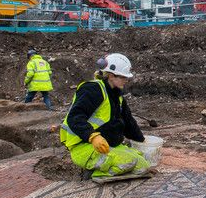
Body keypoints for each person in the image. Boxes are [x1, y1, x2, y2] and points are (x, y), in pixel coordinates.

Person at [59, 53, 150, 182]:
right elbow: (75, 117)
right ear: (111, 76)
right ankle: (94, 175)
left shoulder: (117, 96)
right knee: (129, 161)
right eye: (123, 77)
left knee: (144, 164)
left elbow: (129, 122)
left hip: (109, 145)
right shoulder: (92, 90)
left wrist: (142, 140)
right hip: (85, 146)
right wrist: (93, 136)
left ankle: (106, 168)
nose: (126, 80)